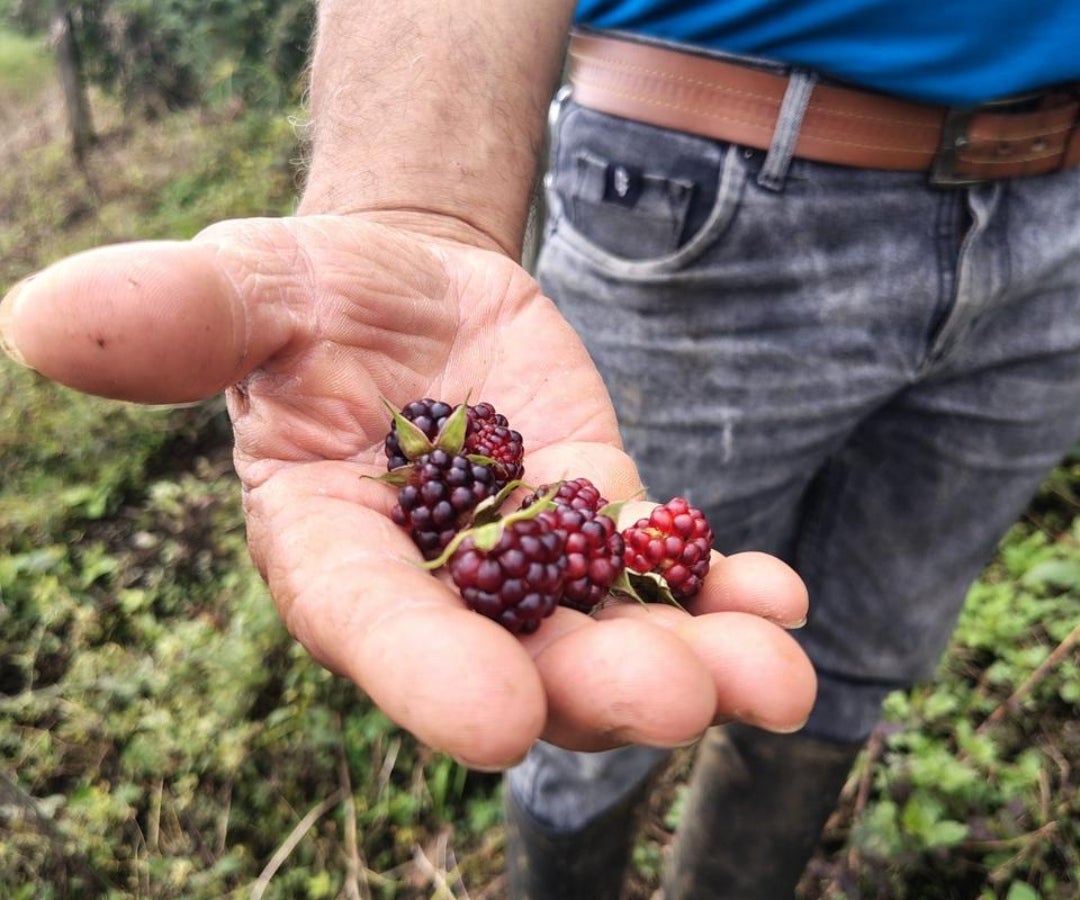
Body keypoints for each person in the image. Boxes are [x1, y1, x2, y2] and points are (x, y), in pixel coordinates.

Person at [2, 1, 1079, 898]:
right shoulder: (491, 488)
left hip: (1062, 223)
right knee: (600, 713)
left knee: (846, 660)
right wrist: (412, 199)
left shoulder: (506, 502)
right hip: (711, 177)